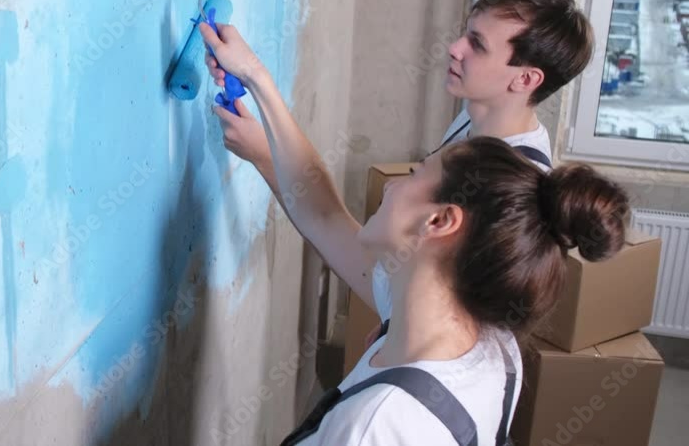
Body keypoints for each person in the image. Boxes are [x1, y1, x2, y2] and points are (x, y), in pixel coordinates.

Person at [197, 22, 629, 445]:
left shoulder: (376, 427)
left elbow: (330, 222)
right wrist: (257, 89)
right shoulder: (490, 350)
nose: (389, 185)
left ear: (440, 221)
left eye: (415, 175)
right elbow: (326, 218)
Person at [207, 0, 595, 341]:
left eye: (477, 45)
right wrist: (263, 149)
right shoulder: (477, 118)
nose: (455, 47)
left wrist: (256, 77)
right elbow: (340, 233)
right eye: (466, 32)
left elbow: (356, 254)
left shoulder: (500, 189)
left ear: (526, 80)